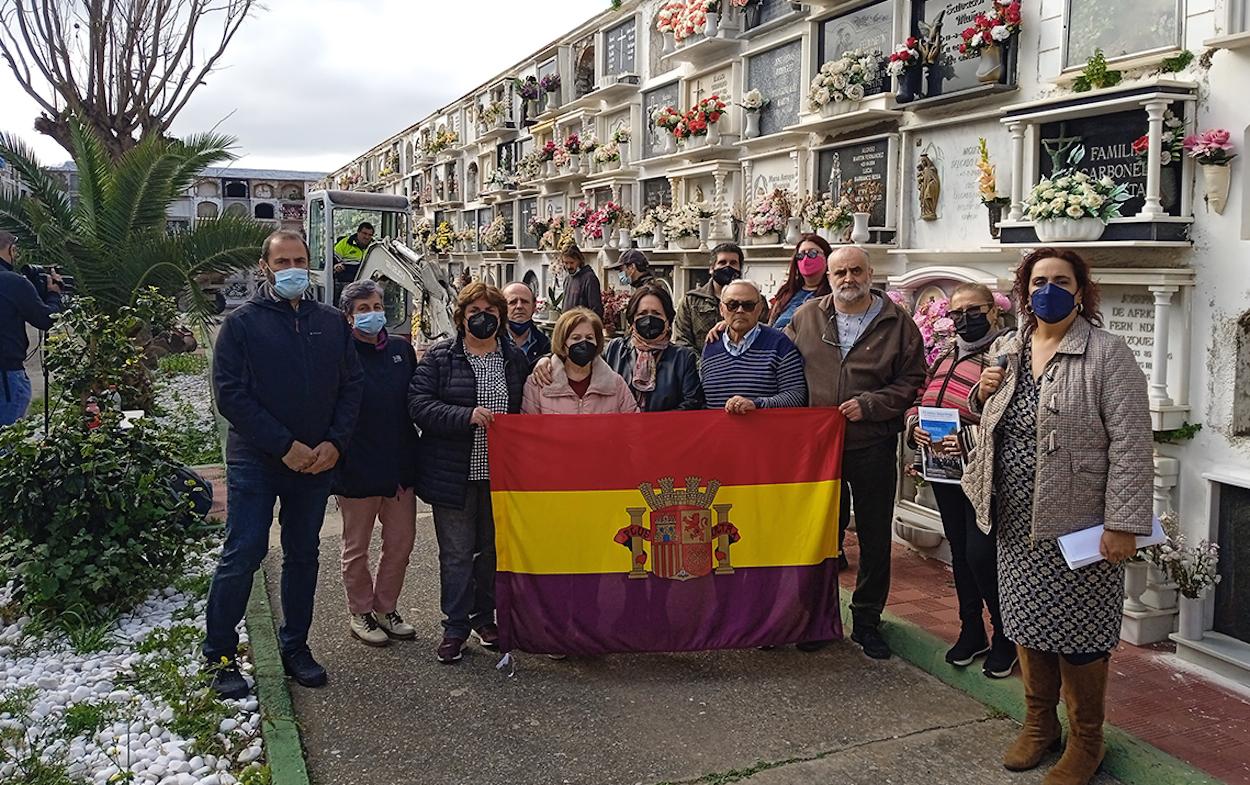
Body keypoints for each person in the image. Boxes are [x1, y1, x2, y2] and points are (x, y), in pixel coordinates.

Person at [963, 248, 1152, 785]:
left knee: (1082, 633)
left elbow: (1133, 444)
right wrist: (984, 392)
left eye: (1060, 280)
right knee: (1025, 623)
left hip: (1079, 525)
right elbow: (991, 418)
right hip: (1014, 517)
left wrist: (1123, 524)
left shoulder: (1107, 355)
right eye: (1038, 279)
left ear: (1080, 290)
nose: (1049, 288)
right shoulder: (1009, 347)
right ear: (1024, 290)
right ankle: (1039, 724)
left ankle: (1087, 740)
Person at [206, 229, 364, 698]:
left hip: (317, 461)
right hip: (258, 459)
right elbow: (231, 395)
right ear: (265, 267)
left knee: (303, 555)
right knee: (245, 551)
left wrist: (335, 443)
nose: (291, 268)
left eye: (299, 260)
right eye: (282, 262)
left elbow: (351, 387)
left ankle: (295, 645)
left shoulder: (332, 322)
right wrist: (283, 445)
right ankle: (220, 654)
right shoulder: (242, 324)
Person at [784, 245, 925, 661]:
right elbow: (775, 356)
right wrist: (729, 330)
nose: (848, 279)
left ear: (871, 273)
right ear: (827, 276)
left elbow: (913, 379)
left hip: (872, 444)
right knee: (820, 535)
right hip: (818, 448)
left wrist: (872, 405)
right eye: (840, 272)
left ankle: (867, 620)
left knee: (875, 536)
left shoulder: (897, 323)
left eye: (856, 271)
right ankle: (818, 617)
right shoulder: (806, 316)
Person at [408, 282, 529, 664]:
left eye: (492, 312)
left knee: (492, 552)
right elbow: (418, 404)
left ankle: (485, 618)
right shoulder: (441, 357)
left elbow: (527, 403)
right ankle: (455, 626)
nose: (483, 318)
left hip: (500, 476)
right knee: (457, 553)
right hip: (454, 474)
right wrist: (465, 416)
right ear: (461, 317)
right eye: (475, 311)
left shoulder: (514, 358)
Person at [904, 283, 1014, 678]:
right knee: (961, 555)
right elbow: (923, 398)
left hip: (983, 474)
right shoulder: (948, 353)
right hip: (943, 470)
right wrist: (915, 424)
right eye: (956, 313)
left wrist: (963, 440)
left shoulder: (1007, 354)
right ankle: (972, 629)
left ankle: (1006, 634)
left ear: (993, 311)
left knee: (982, 555)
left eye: (973, 310)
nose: (963, 319)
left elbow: (1009, 420)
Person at [333, 280, 419, 648]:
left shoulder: (402, 350)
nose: (372, 314)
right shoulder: (339, 354)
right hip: (357, 467)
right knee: (357, 547)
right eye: (363, 309)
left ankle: (387, 607)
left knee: (400, 543)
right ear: (349, 317)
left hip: (399, 465)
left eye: (377, 306)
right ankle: (360, 611)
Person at [531, 285, 702, 411]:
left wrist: (653, 425)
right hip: (620, 438)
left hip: (663, 440)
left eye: (656, 314)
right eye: (642, 314)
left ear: (667, 320)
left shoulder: (682, 358)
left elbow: (691, 403)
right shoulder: (615, 349)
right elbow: (581, 361)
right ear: (632, 320)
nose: (649, 319)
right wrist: (545, 359)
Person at [700, 279, 806, 413]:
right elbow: (701, 399)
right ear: (722, 309)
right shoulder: (711, 345)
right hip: (719, 432)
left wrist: (756, 404)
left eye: (748, 305)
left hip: (764, 432)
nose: (740, 310)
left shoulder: (779, 344)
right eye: (732, 305)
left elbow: (796, 396)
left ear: (760, 308)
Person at [522, 307, 638, 415]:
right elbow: (528, 430)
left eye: (589, 338)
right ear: (563, 343)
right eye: (576, 338)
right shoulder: (537, 385)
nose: (583, 343)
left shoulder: (616, 384)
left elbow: (634, 425)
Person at [0, 231, 63, 426]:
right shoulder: (13, 282)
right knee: (7, 443)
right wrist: (54, 295)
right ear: (11, 249)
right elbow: (46, 319)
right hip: (6, 376)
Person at [673, 243, 768, 349]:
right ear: (711, 268)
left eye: (733, 263)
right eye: (722, 262)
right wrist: (705, 363)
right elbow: (682, 341)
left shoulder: (756, 300)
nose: (727, 267)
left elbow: (764, 333)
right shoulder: (691, 301)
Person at [769, 233, 833, 331]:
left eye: (813, 253)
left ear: (827, 257)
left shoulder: (832, 294)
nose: (806, 259)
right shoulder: (787, 291)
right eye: (801, 255)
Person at [501, 281, 551, 371]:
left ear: (534, 306)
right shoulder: (492, 344)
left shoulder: (546, 346)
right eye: (512, 302)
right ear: (502, 307)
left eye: (525, 302)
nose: (519, 306)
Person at [559, 244, 603, 318]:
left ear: (579, 260)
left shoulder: (589, 278)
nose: (569, 266)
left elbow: (596, 309)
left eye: (572, 263)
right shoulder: (568, 279)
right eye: (566, 263)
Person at [605, 248, 670, 293]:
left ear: (631, 267)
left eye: (621, 270)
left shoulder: (648, 289)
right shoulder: (643, 285)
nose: (620, 274)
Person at [333, 222, 375, 288]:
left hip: (366, 283)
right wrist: (336, 266)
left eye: (370, 235)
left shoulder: (374, 247)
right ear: (358, 232)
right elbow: (332, 260)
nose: (367, 237)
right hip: (346, 283)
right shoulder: (345, 243)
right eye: (364, 233)